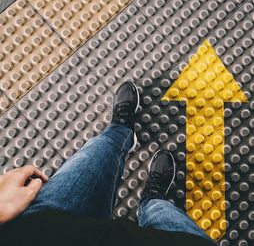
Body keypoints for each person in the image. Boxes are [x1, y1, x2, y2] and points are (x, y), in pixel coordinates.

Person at [0, 81, 217, 246]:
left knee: (95, 155)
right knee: (164, 217)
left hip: (37, 231)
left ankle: (121, 133)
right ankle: (152, 200)